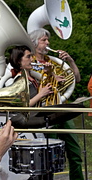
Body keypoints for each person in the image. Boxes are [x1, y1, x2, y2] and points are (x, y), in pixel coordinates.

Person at [29, 28, 84, 180]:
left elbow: (76, 78)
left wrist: (70, 61)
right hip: (46, 111)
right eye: (43, 40)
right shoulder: (30, 62)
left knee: (75, 151)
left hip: (62, 108)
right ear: (34, 43)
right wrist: (52, 76)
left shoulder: (53, 61)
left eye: (48, 40)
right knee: (48, 154)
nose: (48, 42)